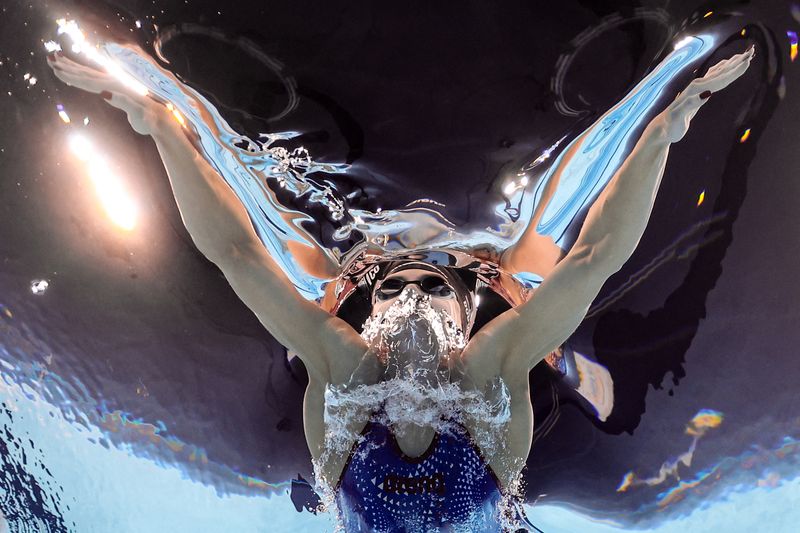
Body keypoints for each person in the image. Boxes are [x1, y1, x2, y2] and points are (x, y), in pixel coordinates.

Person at [47, 41, 753, 532]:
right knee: (537, 270)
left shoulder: (346, 385)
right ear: (458, 322)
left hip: (374, 450)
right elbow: (592, 259)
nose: (406, 295)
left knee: (309, 281)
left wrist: (163, 126)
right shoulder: (485, 389)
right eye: (404, 290)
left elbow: (238, 256)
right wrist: (663, 132)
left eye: (399, 294)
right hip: (468, 443)